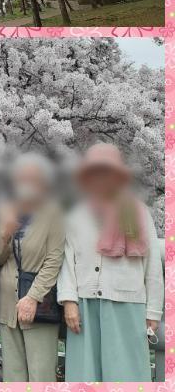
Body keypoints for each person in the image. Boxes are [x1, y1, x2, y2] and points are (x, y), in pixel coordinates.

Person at [57, 142, 162, 381]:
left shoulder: (139, 212)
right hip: (84, 306)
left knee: (126, 372)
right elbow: (67, 260)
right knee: (85, 374)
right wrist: (69, 302)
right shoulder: (75, 214)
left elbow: (153, 266)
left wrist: (153, 312)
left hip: (127, 303)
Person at [0, 153, 65, 381]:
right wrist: (4, 235)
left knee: (40, 375)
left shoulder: (53, 211)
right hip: (7, 304)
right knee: (13, 376)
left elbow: (54, 260)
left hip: (39, 305)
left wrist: (32, 298)